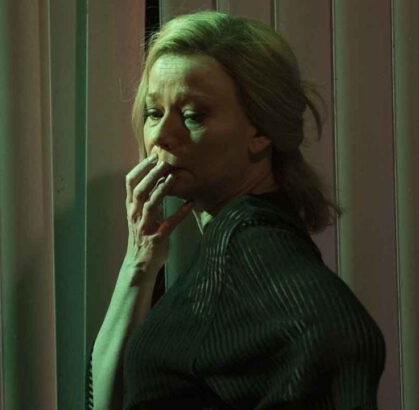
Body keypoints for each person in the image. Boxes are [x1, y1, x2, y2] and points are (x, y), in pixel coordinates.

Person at [87, 11, 386, 409]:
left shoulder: (248, 239)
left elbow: (347, 335)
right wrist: (140, 260)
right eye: (154, 112)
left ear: (260, 131)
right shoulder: (230, 237)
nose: (161, 135)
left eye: (193, 115)